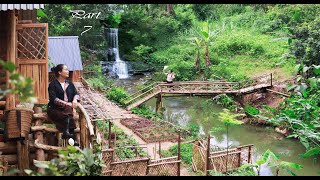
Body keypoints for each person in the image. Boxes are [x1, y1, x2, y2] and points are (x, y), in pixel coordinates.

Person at [47, 64, 80, 146]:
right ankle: (72, 139)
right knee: (68, 115)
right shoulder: (52, 85)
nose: (68, 71)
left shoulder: (70, 84)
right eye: (66, 70)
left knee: (67, 113)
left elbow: (76, 94)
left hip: (66, 110)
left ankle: (67, 133)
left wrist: (75, 99)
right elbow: (54, 99)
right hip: (54, 109)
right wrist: (67, 104)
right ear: (60, 72)